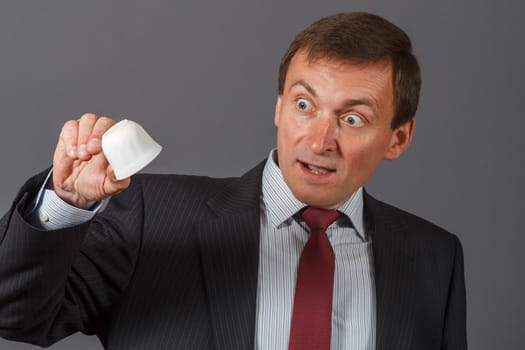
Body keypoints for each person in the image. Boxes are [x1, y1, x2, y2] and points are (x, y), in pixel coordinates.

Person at [0, 12, 466, 350]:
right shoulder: (151, 218)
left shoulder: (434, 259)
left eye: (353, 117)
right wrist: (66, 202)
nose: (321, 139)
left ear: (398, 137)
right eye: (305, 105)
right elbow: (16, 315)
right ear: (279, 107)